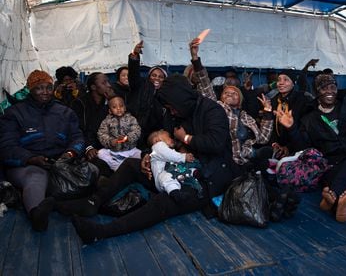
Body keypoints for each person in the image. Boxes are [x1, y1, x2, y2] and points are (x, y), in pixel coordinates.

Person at [55, 74, 239, 244]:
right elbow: (162, 138)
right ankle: (93, 202)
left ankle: (101, 232)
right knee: (131, 165)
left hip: (206, 179)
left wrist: (186, 138)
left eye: (172, 107)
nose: (171, 112)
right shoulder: (178, 113)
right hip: (175, 167)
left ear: (180, 99)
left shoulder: (212, 111)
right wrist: (149, 157)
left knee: (164, 201)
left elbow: (215, 143)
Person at [276, 73, 346, 223]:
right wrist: (292, 128)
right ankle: (338, 203)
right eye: (324, 88)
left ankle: (331, 200)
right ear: (317, 92)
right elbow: (303, 147)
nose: (329, 91)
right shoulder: (309, 118)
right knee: (330, 176)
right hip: (331, 164)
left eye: (333, 87)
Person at [0, 70, 85, 231]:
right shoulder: (14, 113)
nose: (45, 92)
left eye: (48, 87)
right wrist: (31, 159)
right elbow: (6, 147)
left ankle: (77, 204)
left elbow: (77, 138)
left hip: (60, 163)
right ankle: (36, 215)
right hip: (27, 166)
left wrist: (70, 153)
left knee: (89, 172)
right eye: (39, 88)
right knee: (36, 177)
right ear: (30, 89)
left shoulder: (65, 112)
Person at [189, 37, 273, 171]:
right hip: (223, 161)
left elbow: (263, 139)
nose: (229, 94)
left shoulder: (246, 117)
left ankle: (253, 156)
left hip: (243, 162)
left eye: (234, 93)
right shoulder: (217, 107)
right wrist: (195, 58)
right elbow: (204, 84)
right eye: (226, 93)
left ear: (239, 101)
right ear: (220, 97)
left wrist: (268, 113)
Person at [70, 72, 114, 176]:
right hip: (88, 147)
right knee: (100, 166)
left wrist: (112, 101)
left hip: (109, 145)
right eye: (104, 83)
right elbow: (77, 130)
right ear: (93, 87)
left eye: (108, 81)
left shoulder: (110, 102)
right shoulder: (80, 104)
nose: (109, 85)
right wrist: (88, 147)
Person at [127, 41, 168, 148]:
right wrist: (134, 56)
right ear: (149, 77)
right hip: (132, 129)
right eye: (154, 75)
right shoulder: (140, 86)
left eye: (160, 77)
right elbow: (133, 73)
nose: (157, 78)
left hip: (152, 135)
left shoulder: (166, 95)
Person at [270, 68, 313, 159]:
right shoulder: (274, 101)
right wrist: (274, 143)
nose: (281, 83)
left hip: (297, 146)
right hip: (279, 146)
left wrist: (289, 147)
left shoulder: (303, 101)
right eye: (279, 80)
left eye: (286, 79)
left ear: (293, 83)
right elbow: (272, 127)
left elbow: (305, 131)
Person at [148, 129, 200, 202]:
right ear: (157, 140)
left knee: (185, 169)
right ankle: (175, 193)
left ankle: (195, 173)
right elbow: (169, 155)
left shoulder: (170, 150)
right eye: (168, 137)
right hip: (163, 178)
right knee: (166, 177)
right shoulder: (157, 147)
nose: (171, 139)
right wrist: (184, 157)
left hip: (176, 172)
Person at [97, 95, 141, 171]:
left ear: (125, 108)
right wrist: (111, 141)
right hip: (114, 152)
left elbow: (137, 131)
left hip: (130, 150)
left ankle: (127, 166)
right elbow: (101, 134)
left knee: (140, 154)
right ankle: (117, 167)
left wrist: (127, 138)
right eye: (114, 107)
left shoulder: (131, 119)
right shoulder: (106, 121)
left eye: (121, 106)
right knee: (101, 153)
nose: (118, 108)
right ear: (110, 110)